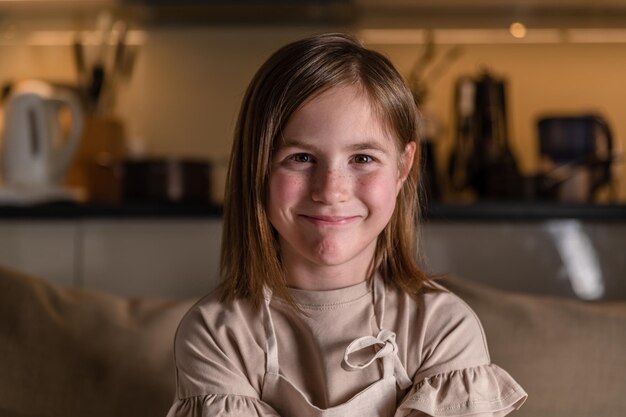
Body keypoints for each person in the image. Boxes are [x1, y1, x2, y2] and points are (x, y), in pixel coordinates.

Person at [166, 33, 527, 417]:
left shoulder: (442, 327)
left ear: (403, 166)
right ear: (257, 168)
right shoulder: (217, 335)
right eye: (302, 157)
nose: (330, 190)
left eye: (362, 158)